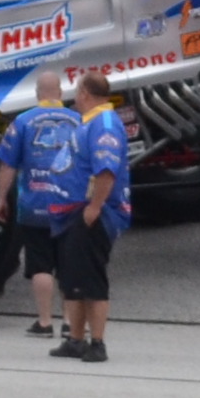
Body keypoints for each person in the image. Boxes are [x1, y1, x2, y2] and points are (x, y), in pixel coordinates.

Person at [0, 66, 90, 341]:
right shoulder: (80, 121)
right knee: (69, 265)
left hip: (35, 205)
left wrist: (1, 198)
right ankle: (69, 322)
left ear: (38, 94)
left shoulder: (23, 122)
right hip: (71, 206)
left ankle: (45, 322)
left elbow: (8, 165)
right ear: (60, 93)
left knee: (41, 265)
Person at [51, 68, 135, 365]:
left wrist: (95, 207)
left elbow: (106, 170)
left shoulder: (105, 124)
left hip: (93, 214)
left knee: (92, 280)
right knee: (73, 280)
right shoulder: (90, 121)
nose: (75, 96)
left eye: (77, 90)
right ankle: (75, 340)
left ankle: (97, 342)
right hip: (72, 213)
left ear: (85, 93)